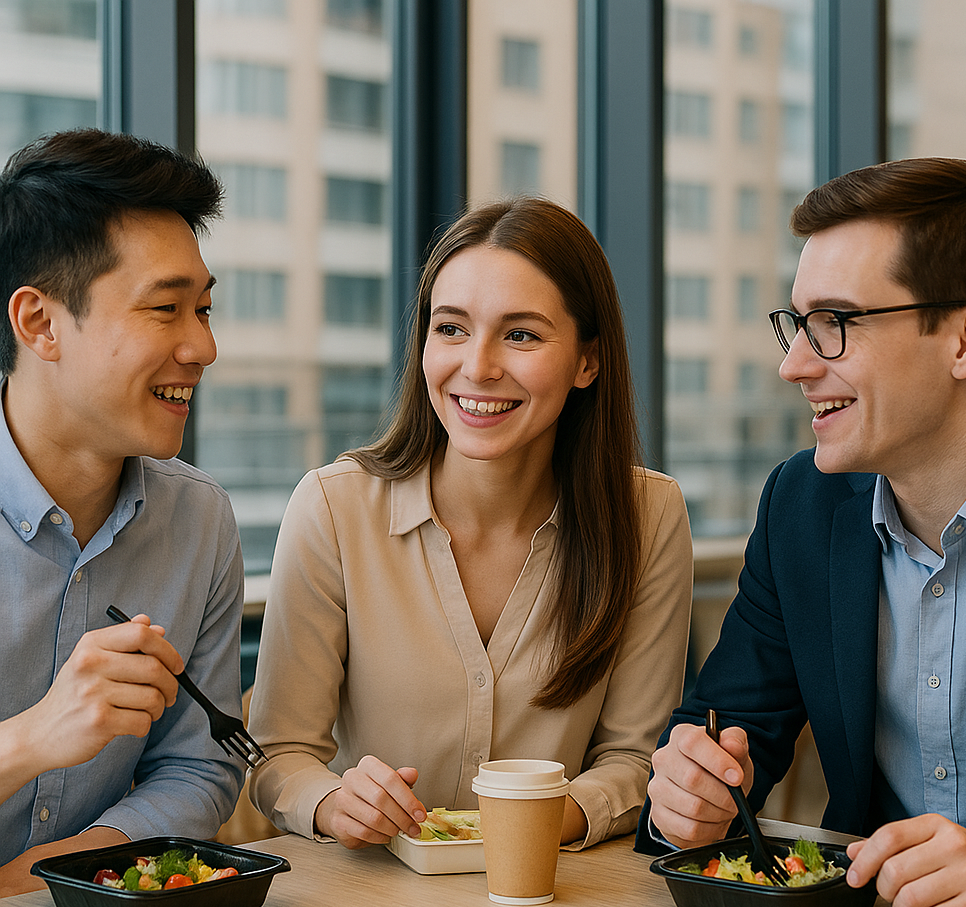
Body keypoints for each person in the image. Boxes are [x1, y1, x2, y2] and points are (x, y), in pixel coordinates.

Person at [247, 197, 692, 851]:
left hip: (555, 886)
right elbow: (279, 754)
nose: (478, 366)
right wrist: (335, 802)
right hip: (375, 886)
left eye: (521, 335)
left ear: (587, 361)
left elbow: (635, 760)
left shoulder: (649, 516)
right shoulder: (333, 509)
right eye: (451, 328)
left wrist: (519, 830)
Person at [637, 156, 966, 906]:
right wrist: (688, 796)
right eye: (798, 324)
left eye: (836, 324)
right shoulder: (802, 505)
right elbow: (726, 728)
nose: (793, 366)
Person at [0, 129, 245, 894]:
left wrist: (46, 878)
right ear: (40, 323)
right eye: (165, 308)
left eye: (204, 309)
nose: (202, 347)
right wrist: (32, 738)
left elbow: (197, 764)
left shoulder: (200, 520)